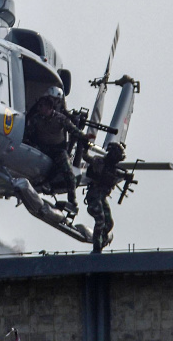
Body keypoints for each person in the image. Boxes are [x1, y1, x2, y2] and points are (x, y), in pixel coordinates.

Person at [23, 86, 87, 215]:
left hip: (57, 150)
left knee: (68, 172)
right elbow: (27, 133)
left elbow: (74, 130)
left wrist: (85, 138)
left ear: (49, 107)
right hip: (42, 148)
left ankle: (72, 201)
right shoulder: (36, 119)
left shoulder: (60, 118)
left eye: (42, 106)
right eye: (40, 106)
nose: (40, 108)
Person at [84, 141, 125, 253]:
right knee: (100, 221)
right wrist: (85, 147)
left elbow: (117, 174)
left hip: (101, 197)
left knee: (109, 223)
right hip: (94, 196)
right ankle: (97, 249)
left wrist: (125, 176)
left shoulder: (113, 169)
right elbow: (86, 157)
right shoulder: (99, 162)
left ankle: (101, 240)